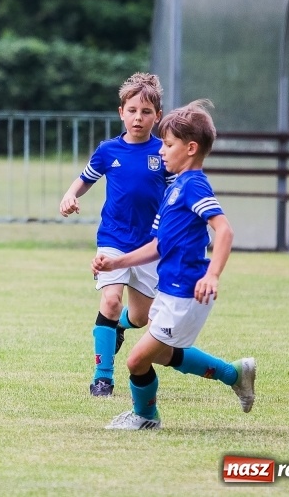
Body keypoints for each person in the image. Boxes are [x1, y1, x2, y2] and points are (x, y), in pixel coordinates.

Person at [92, 99, 255, 430]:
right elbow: (157, 245)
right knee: (165, 355)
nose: (162, 151)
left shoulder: (194, 186)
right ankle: (235, 374)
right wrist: (117, 262)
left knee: (137, 360)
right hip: (169, 290)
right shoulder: (174, 188)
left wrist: (213, 274)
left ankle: (145, 417)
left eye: (168, 145)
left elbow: (224, 230)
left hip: (184, 293)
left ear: (191, 148)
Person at [59, 72, 174, 397]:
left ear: (158, 116)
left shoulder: (163, 153)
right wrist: (71, 195)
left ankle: (120, 327)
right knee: (110, 301)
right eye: (132, 110)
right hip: (113, 238)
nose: (138, 117)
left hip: (149, 247)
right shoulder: (109, 150)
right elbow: (85, 178)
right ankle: (102, 377)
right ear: (121, 112)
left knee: (139, 318)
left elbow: (170, 197)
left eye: (146, 112)